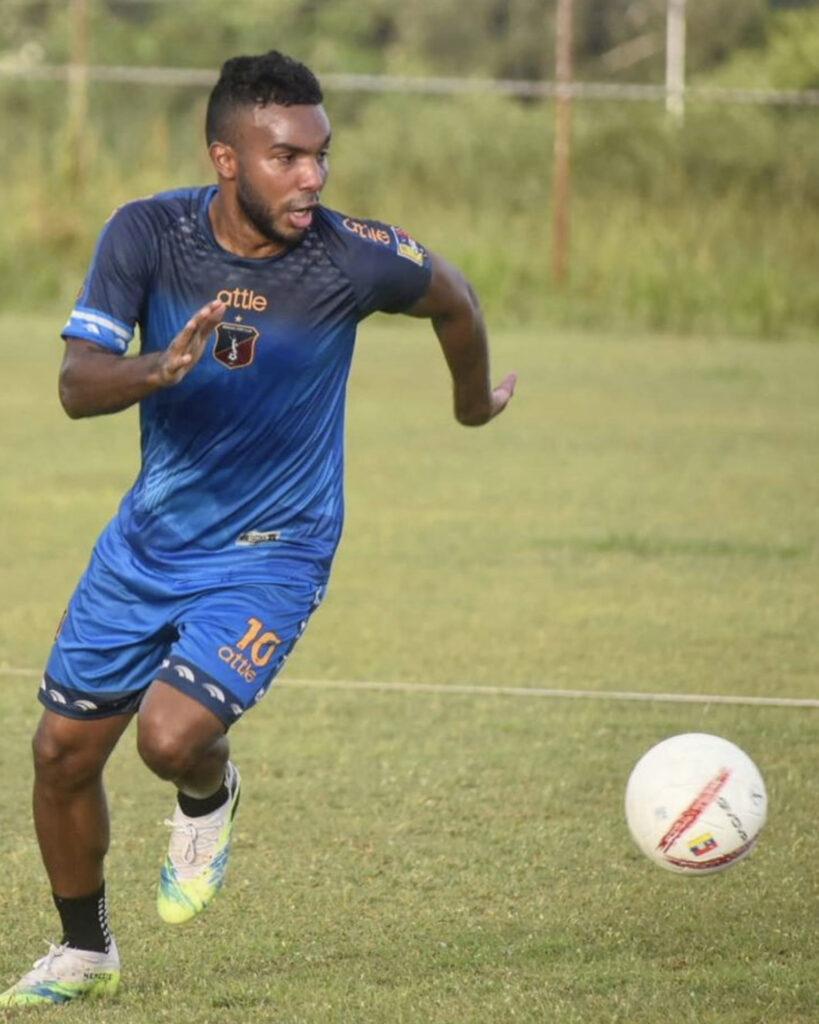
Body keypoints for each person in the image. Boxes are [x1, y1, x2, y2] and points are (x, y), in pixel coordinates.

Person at [0, 49, 516, 1006]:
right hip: (148, 544)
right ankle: (85, 953)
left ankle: (210, 794)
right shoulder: (147, 234)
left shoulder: (352, 255)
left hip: (275, 550)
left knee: (168, 739)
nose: (311, 177)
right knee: (60, 755)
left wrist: (472, 404)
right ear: (226, 158)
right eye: (286, 157)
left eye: (320, 154)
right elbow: (76, 385)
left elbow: (455, 299)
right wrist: (156, 370)